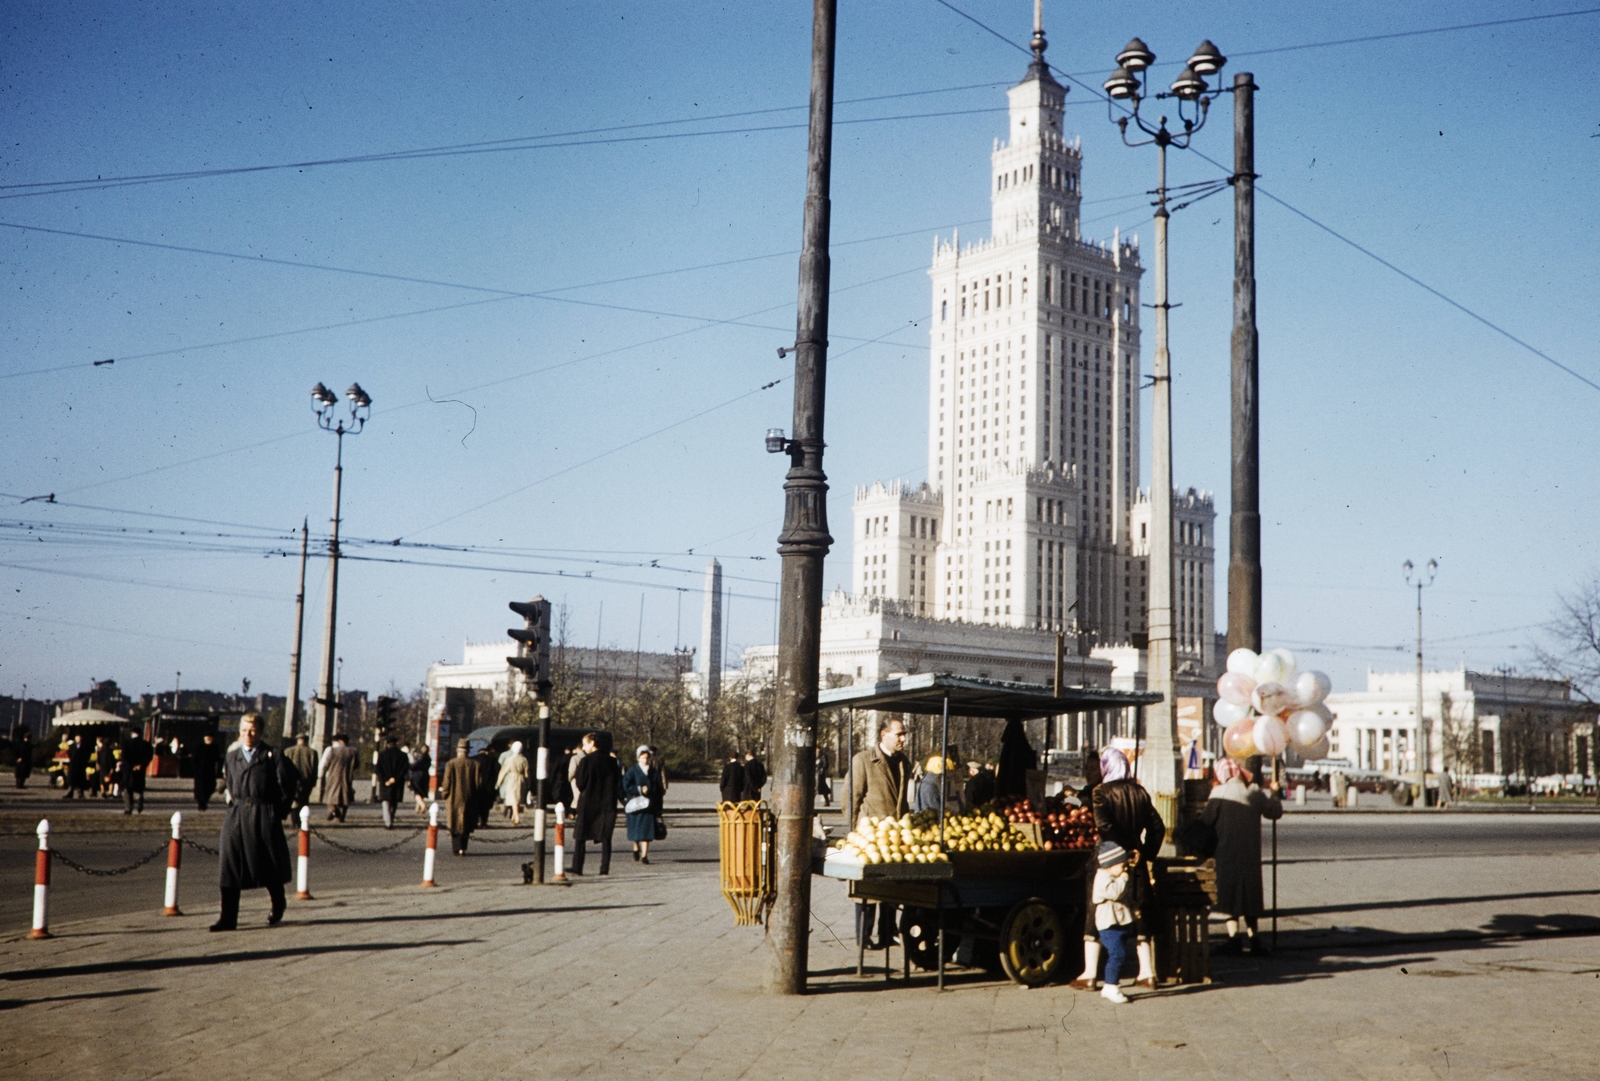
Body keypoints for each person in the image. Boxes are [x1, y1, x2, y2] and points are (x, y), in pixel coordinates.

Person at [1071, 747, 1165, 990]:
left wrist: (1118, 855)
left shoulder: (1101, 792)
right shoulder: (1140, 792)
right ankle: (1147, 973)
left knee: (1096, 912)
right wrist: (1143, 852)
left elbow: (1104, 826)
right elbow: (1158, 828)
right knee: (1138, 913)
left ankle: (1090, 974)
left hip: (1107, 860)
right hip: (1136, 861)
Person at [211, 714, 293, 932]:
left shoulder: (272, 755)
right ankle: (228, 918)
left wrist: (277, 813)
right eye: (244, 730)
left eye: (253, 730)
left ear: (261, 732)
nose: (248, 735)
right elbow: (229, 783)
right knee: (229, 865)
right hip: (237, 814)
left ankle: (278, 902)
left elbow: (287, 786)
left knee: (269, 864)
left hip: (263, 813)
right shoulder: (232, 756)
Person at [1201, 757, 1283, 954]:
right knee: (1249, 896)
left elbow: (1205, 822)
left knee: (1230, 896)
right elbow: (1274, 812)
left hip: (1226, 853)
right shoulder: (1254, 792)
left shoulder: (1218, 793)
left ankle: (1233, 939)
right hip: (1250, 855)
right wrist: (1274, 793)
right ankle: (1254, 938)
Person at [848, 717, 912, 949]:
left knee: (891, 886)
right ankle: (863, 936)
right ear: (884, 734)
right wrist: (854, 832)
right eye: (899, 734)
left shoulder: (904, 761)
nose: (903, 738)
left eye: (904, 734)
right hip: (870, 836)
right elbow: (851, 798)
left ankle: (888, 933)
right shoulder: (863, 760)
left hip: (895, 836)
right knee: (867, 889)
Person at [1092, 840, 1138, 1004]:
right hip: (1108, 923)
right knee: (1117, 954)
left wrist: (1134, 908)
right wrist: (1124, 878)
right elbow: (1115, 893)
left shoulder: (1115, 875)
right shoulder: (1103, 878)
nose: (1125, 869)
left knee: (1119, 953)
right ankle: (1110, 986)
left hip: (1120, 921)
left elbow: (1125, 897)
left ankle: (1111, 984)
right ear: (1111, 864)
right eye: (1122, 865)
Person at [572, 732, 621, 876]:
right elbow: (617, 782)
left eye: (585, 744)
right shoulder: (612, 761)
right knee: (606, 837)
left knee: (581, 836)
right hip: (607, 803)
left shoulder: (586, 761)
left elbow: (580, 782)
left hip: (588, 802)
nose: (583, 747)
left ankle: (577, 867)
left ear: (592, 743)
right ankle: (604, 868)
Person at [437, 739, 479, 855]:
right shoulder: (475, 764)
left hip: (453, 797)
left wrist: (444, 794)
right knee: (466, 822)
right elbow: (478, 783)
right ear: (468, 751)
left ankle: (456, 848)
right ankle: (463, 848)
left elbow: (447, 781)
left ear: (457, 750)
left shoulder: (451, 763)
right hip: (469, 798)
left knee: (454, 822)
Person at [623, 746, 663, 864]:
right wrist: (638, 789)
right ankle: (636, 847)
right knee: (636, 830)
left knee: (646, 831)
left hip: (649, 806)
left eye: (647, 758)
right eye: (642, 758)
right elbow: (626, 785)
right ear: (638, 758)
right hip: (635, 805)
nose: (645, 760)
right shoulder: (633, 770)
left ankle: (644, 856)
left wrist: (659, 807)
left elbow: (658, 789)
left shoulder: (654, 772)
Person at [319, 733, 359, 822]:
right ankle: (342, 815)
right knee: (345, 796)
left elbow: (326, 763)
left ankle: (333, 811)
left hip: (333, 776)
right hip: (347, 776)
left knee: (330, 796)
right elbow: (356, 764)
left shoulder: (332, 750)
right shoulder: (353, 751)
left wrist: (321, 774)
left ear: (340, 741)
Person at [375, 736, 409, 828]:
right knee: (394, 802)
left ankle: (388, 822)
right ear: (396, 744)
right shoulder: (403, 755)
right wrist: (395, 778)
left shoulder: (382, 755)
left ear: (387, 744)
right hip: (397, 782)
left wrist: (385, 780)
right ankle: (391, 818)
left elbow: (378, 769)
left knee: (386, 801)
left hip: (384, 782)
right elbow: (405, 769)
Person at [118, 726, 153, 815]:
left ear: (132, 733)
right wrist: (141, 765)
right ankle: (139, 806)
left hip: (129, 770)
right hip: (140, 770)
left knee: (127, 789)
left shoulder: (127, 743)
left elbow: (124, 757)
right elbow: (149, 756)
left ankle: (128, 808)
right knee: (139, 789)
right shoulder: (146, 744)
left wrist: (131, 766)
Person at [496, 741, 530, 826]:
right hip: (521, 779)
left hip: (512, 779)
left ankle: (516, 816)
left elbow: (503, 772)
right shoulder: (524, 759)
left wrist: (498, 783)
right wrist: (528, 782)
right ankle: (514, 817)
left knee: (513, 799)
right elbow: (527, 772)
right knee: (518, 798)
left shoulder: (509, 759)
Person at [284, 734, 317, 814]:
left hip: (291, 779)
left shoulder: (288, 751)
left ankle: (294, 818)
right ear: (306, 740)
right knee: (304, 800)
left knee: (293, 798)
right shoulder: (312, 752)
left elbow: (283, 766)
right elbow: (314, 768)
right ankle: (300, 817)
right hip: (306, 779)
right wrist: (313, 782)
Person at [192, 732, 222, 812]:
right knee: (200, 789)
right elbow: (195, 759)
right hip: (200, 773)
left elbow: (218, 759)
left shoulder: (215, 747)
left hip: (210, 772)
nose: (209, 740)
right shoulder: (200, 747)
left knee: (210, 787)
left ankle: (204, 801)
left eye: (211, 738)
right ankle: (201, 803)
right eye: (208, 738)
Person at [472, 741, 498, 828]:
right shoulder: (492, 760)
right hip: (488, 786)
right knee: (485, 806)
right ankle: (483, 822)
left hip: (476, 786)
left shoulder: (473, 759)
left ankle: (474, 822)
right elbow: (497, 770)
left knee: (475, 805)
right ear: (487, 751)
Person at [63, 733, 92, 800]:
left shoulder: (84, 746)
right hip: (73, 765)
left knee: (80, 781)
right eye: (77, 738)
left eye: (80, 737)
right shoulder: (72, 746)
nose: (79, 739)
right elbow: (69, 753)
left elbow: (87, 754)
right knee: (72, 780)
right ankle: (70, 793)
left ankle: (80, 794)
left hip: (81, 766)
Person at [409, 745, 432, 814]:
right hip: (426, 776)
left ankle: (423, 805)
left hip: (417, 776)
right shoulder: (428, 758)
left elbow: (414, 766)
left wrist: (410, 766)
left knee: (416, 792)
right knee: (421, 792)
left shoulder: (421, 758)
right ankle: (417, 808)